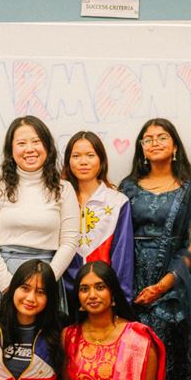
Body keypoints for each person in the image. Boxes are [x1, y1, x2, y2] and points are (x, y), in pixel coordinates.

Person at [119, 117, 191, 380]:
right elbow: (117, 236)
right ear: (141, 148)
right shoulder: (128, 186)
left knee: (171, 364)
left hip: (174, 284)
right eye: (148, 138)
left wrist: (163, 285)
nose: (155, 142)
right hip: (130, 281)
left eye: (162, 137)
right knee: (133, 365)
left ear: (174, 146)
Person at [0, 116, 78, 318]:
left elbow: (70, 242)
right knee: (0, 337)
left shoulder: (64, 189)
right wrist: (8, 285)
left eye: (36, 141)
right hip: (2, 277)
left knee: (44, 338)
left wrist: (44, 284)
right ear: (11, 149)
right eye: (21, 143)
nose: (29, 149)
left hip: (47, 278)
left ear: (47, 146)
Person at [59, 261, 169, 380]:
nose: (92, 295)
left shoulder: (138, 339)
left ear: (113, 293)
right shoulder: (69, 336)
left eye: (100, 287)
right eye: (84, 289)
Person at [61, 131, 134, 309]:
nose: (83, 162)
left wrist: (120, 300)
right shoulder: (58, 199)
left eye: (90, 155)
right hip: (64, 297)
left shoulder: (117, 201)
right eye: (76, 156)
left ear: (101, 161)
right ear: (68, 162)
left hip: (104, 297)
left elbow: (123, 256)